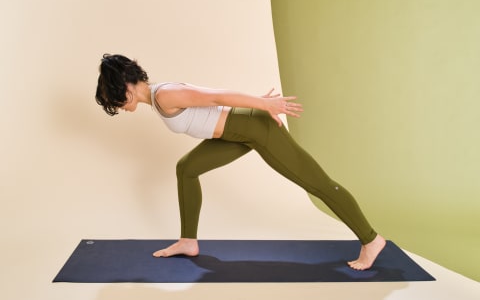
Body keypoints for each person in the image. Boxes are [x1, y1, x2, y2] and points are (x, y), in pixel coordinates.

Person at [95, 54, 386, 271]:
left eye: (115, 100)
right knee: (186, 169)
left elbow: (216, 96)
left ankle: (370, 239)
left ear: (125, 87)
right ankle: (188, 241)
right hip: (233, 134)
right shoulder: (159, 97)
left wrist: (264, 105)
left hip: (256, 130)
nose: (119, 107)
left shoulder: (166, 94)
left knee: (318, 184)